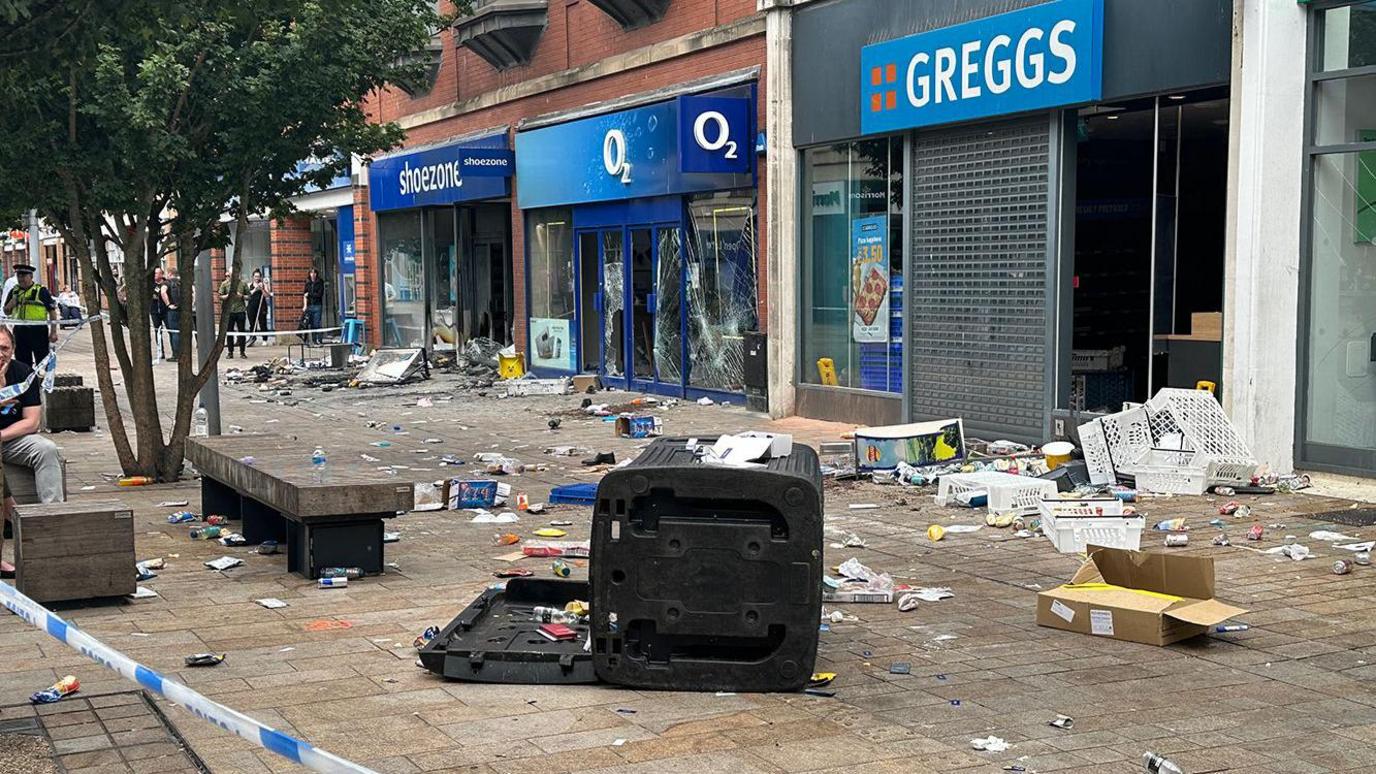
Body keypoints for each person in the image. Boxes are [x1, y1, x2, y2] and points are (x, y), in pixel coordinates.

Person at [0, 325, 65, 578]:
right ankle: (10, 513)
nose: (0, 354)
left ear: (13, 350)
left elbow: (32, 421)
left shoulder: (24, 373)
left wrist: (2, 435)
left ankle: (54, 518)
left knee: (47, 449)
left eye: (5, 348)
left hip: (12, 439)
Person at [2, 264, 58, 368]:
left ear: (31, 276)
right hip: (20, 331)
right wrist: (11, 304)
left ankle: (40, 382)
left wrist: (53, 332)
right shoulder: (14, 291)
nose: (21, 279)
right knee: (22, 361)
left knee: (42, 361)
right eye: (19, 276)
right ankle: (26, 382)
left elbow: (52, 312)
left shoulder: (41, 291)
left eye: (24, 276)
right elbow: (6, 312)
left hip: (38, 331)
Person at [218, 274, 249, 358]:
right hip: (229, 311)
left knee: (241, 332)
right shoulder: (225, 284)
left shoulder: (243, 284)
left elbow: (249, 296)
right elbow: (220, 296)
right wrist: (227, 296)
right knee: (229, 332)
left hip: (240, 310)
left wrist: (241, 296)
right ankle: (230, 352)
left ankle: (242, 352)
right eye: (231, 275)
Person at [245, 270, 271, 346]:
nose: (257, 278)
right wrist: (255, 289)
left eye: (258, 276)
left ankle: (265, 339)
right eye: (255, 276)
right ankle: (252, 337)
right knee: (252, 323)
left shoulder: (263, 284)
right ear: (253, 277)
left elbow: (267, 295)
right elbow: (248, 295)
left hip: (261, 305)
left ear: (260, 277)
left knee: (263, 322)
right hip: (252, 306)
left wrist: (262, 289)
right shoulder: (249, 284)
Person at [150, 266, 170, 362]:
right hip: (154, 311)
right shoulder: (151, 285)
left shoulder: (167, 283)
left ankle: (175, 351)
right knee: (157, 331)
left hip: (166, 311)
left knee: (171, 330)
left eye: (157, 273)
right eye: (154, 273)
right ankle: (160, 352)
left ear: (161, 274)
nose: (155, 275)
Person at [162, 265, 182, 355]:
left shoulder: (167, 283)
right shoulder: (181, 282)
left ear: (170, 274)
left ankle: (176, 353)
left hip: (172, 310)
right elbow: (193, 293)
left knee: (174, 332)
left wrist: (168, 304)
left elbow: (163, 292)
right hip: (182, 309)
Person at [302, 268, 325, 344]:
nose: (313, 274)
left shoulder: (320, 282)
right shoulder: (308, 282)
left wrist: (310, 294)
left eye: (314, 273)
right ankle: (314, 340)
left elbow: (319, 294)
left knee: (317, 323)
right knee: (311, 323)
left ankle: (319, 339)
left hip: (317, 305)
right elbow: (305, 294)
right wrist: (305, 305)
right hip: (309, 305)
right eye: (311, 273)